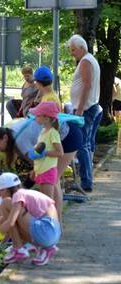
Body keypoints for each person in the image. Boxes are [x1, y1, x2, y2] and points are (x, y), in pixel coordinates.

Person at [0, 114, 83, 225]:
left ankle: (53, 224)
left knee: (51, 180)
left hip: (68, 137)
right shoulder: (10, 130)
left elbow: (40, 166)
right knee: (51, 180)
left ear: (5, 137)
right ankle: (56, 224)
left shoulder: (20, 141)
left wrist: (23, 188)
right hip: (62, 136)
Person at [0, 173, 61, 266]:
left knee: (5, 206)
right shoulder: (24, 193)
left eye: (0, 192)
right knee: (2, 220)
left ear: (5, 190)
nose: (0, 195)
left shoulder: (18, 195)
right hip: (51, 234)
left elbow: (10, 222)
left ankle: (19, 249)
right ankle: (45, 249)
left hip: (46, 231)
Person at [68, 34, 101, 193]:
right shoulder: (88, 59)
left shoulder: (86, 61)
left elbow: (87, 86)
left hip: (86, 109)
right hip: (88, 107)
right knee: (84, 144)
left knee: (82, 145)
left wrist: (79, 109)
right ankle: (86, 180)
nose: (71, 53)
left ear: (82, 47)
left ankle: (86, 182)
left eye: (73, 49)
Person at [27, 102, 64, 199]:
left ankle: (51, 215)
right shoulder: (43, 131)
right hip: (41, 170)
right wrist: (34, 152)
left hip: (48, 170)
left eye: (38, 115)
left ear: (46, 118)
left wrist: (44, 153)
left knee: (47, 201)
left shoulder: (53, 133)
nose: (35, 117)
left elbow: (60, 153)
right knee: (43, 201)